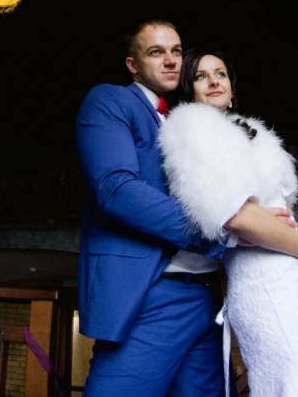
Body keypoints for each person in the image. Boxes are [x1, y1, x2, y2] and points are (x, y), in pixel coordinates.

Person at [160, 49, 298, 397]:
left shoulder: (253, 132)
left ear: (232, 86)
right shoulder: (190, 131)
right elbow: (235, 216)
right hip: (260, 279)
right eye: (201, 76)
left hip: (294, 276)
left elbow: (278, 217)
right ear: (188, 90)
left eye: (221, 74)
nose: (214, 81)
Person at [75, 20, 227, 396]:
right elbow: (116, 189)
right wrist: (214, 233)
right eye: (156, 52)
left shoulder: (185, 118)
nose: (171, 60)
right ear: (132, 64)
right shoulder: (111, 101)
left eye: (176, 51)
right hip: (152, 294)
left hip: (208, 296)